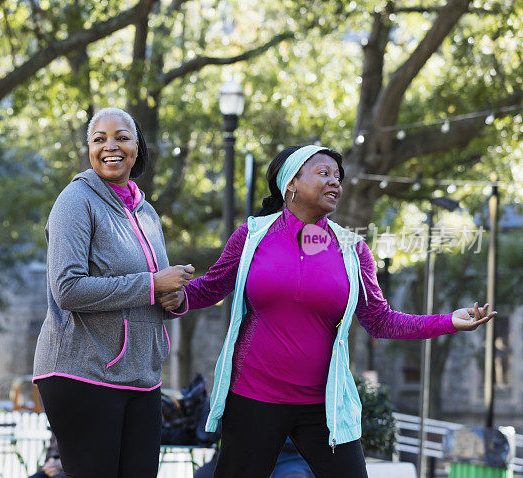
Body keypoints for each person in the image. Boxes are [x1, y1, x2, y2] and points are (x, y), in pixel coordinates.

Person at [158, 145, 496, 477]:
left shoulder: (353, 249)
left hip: (323, 406)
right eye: (324, 174)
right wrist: (178, 298)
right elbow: (211, 287)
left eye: (338, 177)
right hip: (253, 397)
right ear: (290, 182)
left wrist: (449, 321)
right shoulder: (251, 237)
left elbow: (380, 320)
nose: (335, 182)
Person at [32, 107, 194, 477]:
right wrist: (153, 284)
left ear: (138, 147)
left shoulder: (147, 214)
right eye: (99, 139)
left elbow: (154, 295)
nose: (111, 146)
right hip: (83, 371)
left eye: (121, 137)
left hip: (141, 375)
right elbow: (67, 289)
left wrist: (174, 298)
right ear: (88, 148)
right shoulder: (76, 201)